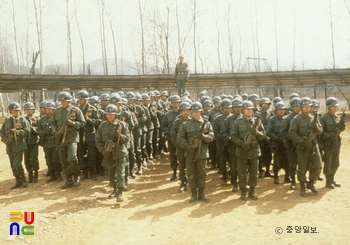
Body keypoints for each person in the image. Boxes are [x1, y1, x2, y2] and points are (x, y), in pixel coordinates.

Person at [177, 101, 214, 203]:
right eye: (194, 112)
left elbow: (212, 137)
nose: (196, 113)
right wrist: (188, 146)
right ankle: (193, 194)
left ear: (201, 112)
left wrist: (204, 136)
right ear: (191, 113)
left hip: (202, 153)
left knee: (202, 173)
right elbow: (180, 138)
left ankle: (201, 193)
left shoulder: (207, 124)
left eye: (198, 111)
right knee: (190, 173)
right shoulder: (185, 124)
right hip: (190, 153)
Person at [51, 91, 86, 189]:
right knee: (63, 160)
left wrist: (72, 124)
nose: (62, 103)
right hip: (60, 137)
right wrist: (55, 131)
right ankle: (68, 179)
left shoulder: (76, 110)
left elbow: (82, 123)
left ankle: (76, 176)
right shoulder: (57, 111)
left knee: (72, 157)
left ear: (69, 101)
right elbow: (52, 122)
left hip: (72, 136)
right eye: (61, 102)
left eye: (64, 101)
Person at [95, 104, 130, 202]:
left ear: (116, 115)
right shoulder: (102, 126)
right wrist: (102, 151)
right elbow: (97, 140)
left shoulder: (122, 125)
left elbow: (127, 139)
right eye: (108, 114)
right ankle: (115, 190)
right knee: (110, 175)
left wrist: (119, 135)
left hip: (120, 153)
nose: (110, 116)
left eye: (112, 114)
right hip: (108, 154)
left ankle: (120, 193)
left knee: (120, 173)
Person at [289, 97, 323, 197]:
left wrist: (316, 127)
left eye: (309, 106)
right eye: (305, 106)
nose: (307, 108)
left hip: (313, 145)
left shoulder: (314, 118)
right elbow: (292, 133)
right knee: (302, 168)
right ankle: (303, 187)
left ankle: (311, 183)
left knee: (318, 166)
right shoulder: (296, 119)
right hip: (302, 147)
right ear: (301, 107)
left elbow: (320, 131)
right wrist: (303, 142)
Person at [232, 100, 265, 200]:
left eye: (251, 109)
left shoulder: (257, 121)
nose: (249, 111)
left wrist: (257, 133)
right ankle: (243, 191)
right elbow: (233, 137)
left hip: (254, 151)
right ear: (242, 110)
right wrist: (242, 144)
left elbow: (263, 135)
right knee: (241, 172)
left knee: (253, 172)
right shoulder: (237, 122)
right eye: (247, 109)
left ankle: (252, 191)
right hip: (242, 151)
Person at [0, 102, 30, 189]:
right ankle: (18, 180)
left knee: (17, 163)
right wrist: (5, 140)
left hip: (19, 145)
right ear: (10, 111)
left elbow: (27, 132)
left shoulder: (23, 120)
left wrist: (18, 132)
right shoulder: (7, 121)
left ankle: (23, 179)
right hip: (10, 146)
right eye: (14, 110)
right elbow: (2, 132)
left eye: (18, 110)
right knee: (12, 165)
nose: (17, 112)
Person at [319, 97, 345, 189]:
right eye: (333, 106)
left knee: (335, 162)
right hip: (328, 144)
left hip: (336, 143)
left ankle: (332, 178)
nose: (335, 108)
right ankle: (328, 180)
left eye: (336, 106)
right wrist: (329, 136)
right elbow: (320, 131)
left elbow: (341, 129)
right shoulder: (323, 118)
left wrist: (343, 122)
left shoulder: (337, 117)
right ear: (328, 107)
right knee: (328, 162)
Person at [76, 90, 99, 180]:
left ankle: (92, 171)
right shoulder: (76, 110)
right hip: (80, 134)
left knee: (91, 154)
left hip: (90, 134)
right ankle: (84, 172)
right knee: (81, 154)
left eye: (81, 99)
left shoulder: (93, 109)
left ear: (86, 100)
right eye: (79, 99)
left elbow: (97, 122)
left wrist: (88, 120)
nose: (79, 101)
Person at [221, 97, 242, 192]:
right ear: (232, 108)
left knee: (243, 166)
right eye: (235, 107)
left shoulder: (246, 118)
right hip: (233, 146)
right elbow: (223, 132)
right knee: (233, 166)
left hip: (244, 146)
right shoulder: (228, 120)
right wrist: (229, 138)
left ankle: (242, 183)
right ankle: (235, 183)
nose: (237, 109)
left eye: (239, 107)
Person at [37, 101, 62, 182]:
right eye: (47, 109)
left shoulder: (57, 118)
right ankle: (52, 175)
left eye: (50, 109)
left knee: (56, 159)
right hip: (46, 142)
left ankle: (58, 174)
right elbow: (38, 128)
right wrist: (42, 133)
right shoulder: (42, 119)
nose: (48, 111)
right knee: (48, 159)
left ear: (54, 110)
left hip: (55, 141)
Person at [280, 97, 301, 190]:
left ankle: (303, 179)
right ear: (292, 107)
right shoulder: (287, 119)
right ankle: (293, 181)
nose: (298, 108)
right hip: (292, 145)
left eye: (299, 106)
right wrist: (293, 138)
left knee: (303, 163)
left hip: (302, 144)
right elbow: (283, 132)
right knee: (292, 163)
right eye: (295, 106)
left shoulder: (304, 117)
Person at [266, 102, 289, 184]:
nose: (281, 111)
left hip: (286, 143)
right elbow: (269, 131)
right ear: (276, 111)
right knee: (277, 160)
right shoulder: (272, 120)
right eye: (279, 110)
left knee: (287, 160)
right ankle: (276, 177)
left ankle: (287, 176)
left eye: (283, 109)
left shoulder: (287, 119)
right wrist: (276, 138)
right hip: (277, 144)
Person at [171, 101, 191, 192]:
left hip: (191, 148)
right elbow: (173, 135)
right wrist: (178, 145)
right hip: (181, 148)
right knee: (182, 165)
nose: (185, 112)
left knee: (191, 165)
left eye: (187, 110)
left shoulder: (193, 120)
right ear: (180, 112)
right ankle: (183, 182)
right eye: (183, 111)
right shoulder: (177, 122)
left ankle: (192, 182)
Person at [161, 95, 181, 181]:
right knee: (173, 156)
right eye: (174, 102)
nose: (175, 104)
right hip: (172, 139)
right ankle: (174, 172)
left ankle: (182, 173)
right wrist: (168, 132)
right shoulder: (167, 114)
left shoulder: (183, 113)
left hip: (182, 139)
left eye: (177, 102)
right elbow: (163, 125)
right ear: (171, 103)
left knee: (182, 156)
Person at [23, 102, 40, 183]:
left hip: (34, 142)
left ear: (33, 110)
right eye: (26, 110)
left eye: (30, 110)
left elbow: (40, 129)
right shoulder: (22, 119)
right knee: (26, 160)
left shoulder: (37, 119)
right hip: (25, 142)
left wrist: (34, 129)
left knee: (34, 159)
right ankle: (30, 175)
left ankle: (36, 174)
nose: (28, 111)